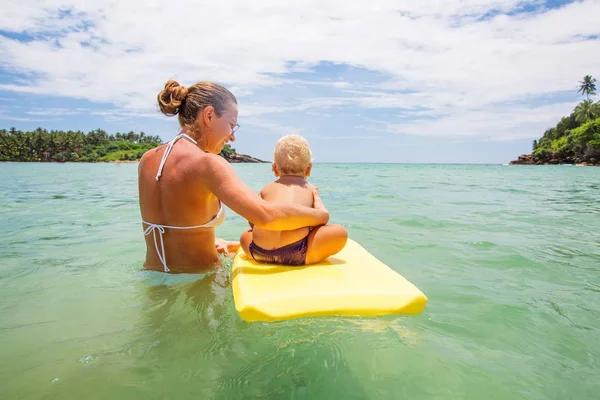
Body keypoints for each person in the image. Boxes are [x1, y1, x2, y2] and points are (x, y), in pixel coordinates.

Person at [138, 80, 329, 273]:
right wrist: (320, 215)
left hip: (152, 279)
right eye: (231, 125)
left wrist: (208, 240)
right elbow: (267, 216)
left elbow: (172, 225)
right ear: (209, 115)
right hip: (202, 283)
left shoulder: (148, 159)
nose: (232, 137)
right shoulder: (208, 163)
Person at [239, 134, 347, 266]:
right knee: (339, 232)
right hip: (297, 253)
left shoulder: (266, 189)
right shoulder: (310, 189)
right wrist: (317, 199)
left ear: (274, 168)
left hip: (259, 251)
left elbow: (253, 220)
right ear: (309, 168)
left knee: (245, 235)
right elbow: (320, 221)